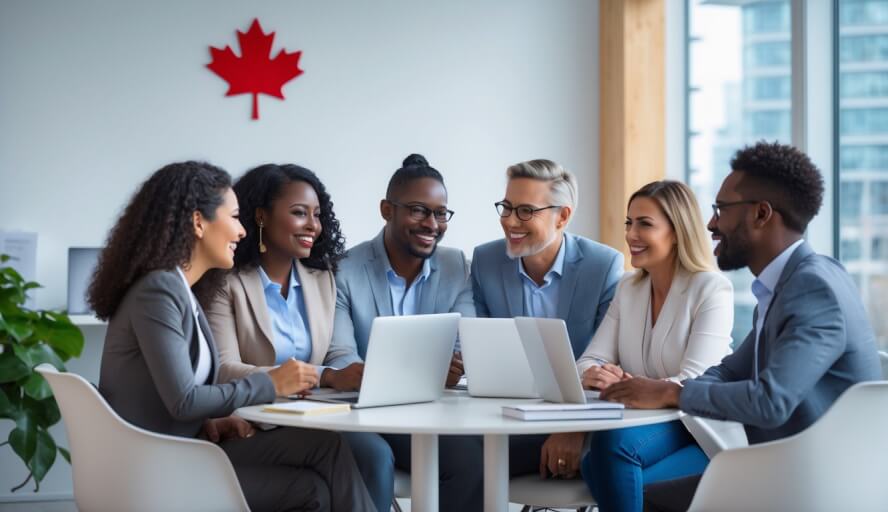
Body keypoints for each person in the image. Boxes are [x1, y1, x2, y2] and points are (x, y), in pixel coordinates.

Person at [597, 142, 882, 512]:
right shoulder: (787, 283)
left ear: (761, 214)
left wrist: (672, 394)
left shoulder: (813, 288)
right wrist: (670, 387)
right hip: (790, 466)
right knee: (651, 498)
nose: (712, 224)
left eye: (721, 210)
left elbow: (770, 401)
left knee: (654, 498)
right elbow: (731, 369)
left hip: (818, 480)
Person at [90, 161, 375, 512]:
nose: (241, 232)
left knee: (326, 448)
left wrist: (213, 418)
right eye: (235, 217)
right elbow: (183, 400)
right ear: (198, 222)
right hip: (159, 467)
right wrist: (273, 383)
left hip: (184, 446)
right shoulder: (159, 290)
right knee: (312, 490)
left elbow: (175, 394)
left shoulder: (179, 289)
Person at [198, 163, 394, 512]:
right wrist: (322, 376)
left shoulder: (321, 279)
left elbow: (333, 351)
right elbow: (223, 368)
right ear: (260, 216)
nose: (313, 226)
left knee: (375, 456)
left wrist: (351, 370)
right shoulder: (226, 281)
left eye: (317, 215)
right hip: (248, 421)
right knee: (328, 476)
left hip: (313, 419)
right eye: (299, 213)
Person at [327, 154, 482, 510]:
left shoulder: (457, 266)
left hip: (429, 416)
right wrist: (426, 372)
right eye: (417, 210)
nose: (432, 223)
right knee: (373, 459)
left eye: (440, 213)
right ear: (386, 209)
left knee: (469, 459)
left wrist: (453, 366)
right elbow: (342, 355)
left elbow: (462, 345)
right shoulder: (345, 270)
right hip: (360, 416)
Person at [573, 180, 734, 512]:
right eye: (629, 223)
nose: (631, 234)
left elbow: (694, 381)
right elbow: (587, 361)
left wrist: (626, 384)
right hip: (643, 427)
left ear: (676, 231)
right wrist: (596, 375)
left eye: (644, 224)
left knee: (607, 454)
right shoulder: (629, 288)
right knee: (600, 464)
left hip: (697, 427)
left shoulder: (711, 289)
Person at [471, 159, 623, 479]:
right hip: (504, 416)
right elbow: (482, 357)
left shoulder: (603, 265)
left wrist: (574, 429)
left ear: (562, 216)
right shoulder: (485, 261)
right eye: (506, 207)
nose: (511, 221)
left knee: (471, 466)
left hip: (581, 420)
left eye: (526, 211)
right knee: (460, 459)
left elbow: (604, 367)